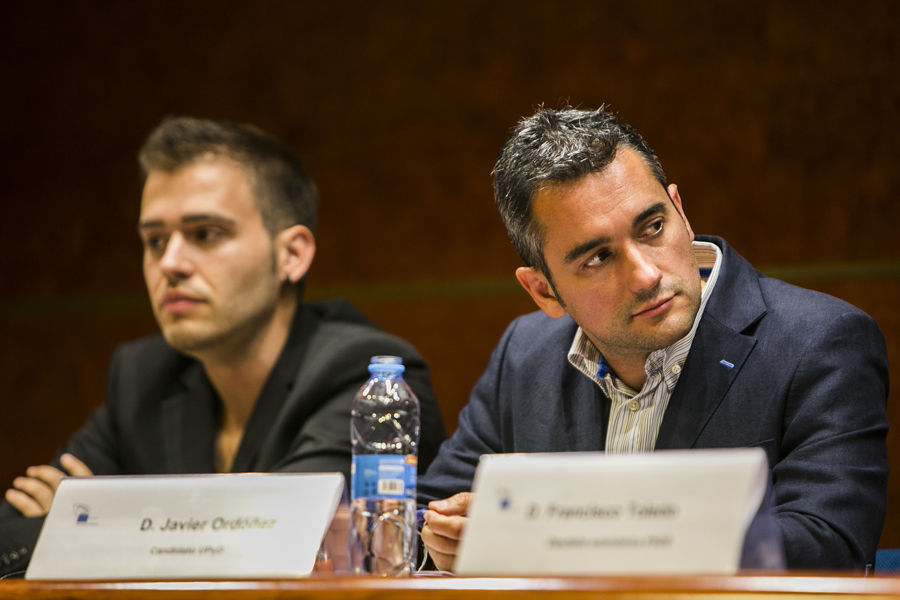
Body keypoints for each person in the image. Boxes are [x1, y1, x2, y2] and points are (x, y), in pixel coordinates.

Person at [418, 106, 889, 572]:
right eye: (598, 258)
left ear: (680, 211)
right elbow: (422, 516)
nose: (645, 275)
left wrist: (558, 534)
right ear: (543, 289)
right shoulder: (526, 352)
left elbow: (829, 548)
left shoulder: (821, 342)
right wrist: (442, 538)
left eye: (653, 227)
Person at [0, 117, 445, 576]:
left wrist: (84, 524)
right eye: (154, 240)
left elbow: (267, 547)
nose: (169, 263)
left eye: (205, 234)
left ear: (291, 254)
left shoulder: (364, 379)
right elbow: (5, 537)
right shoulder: (143, 376)